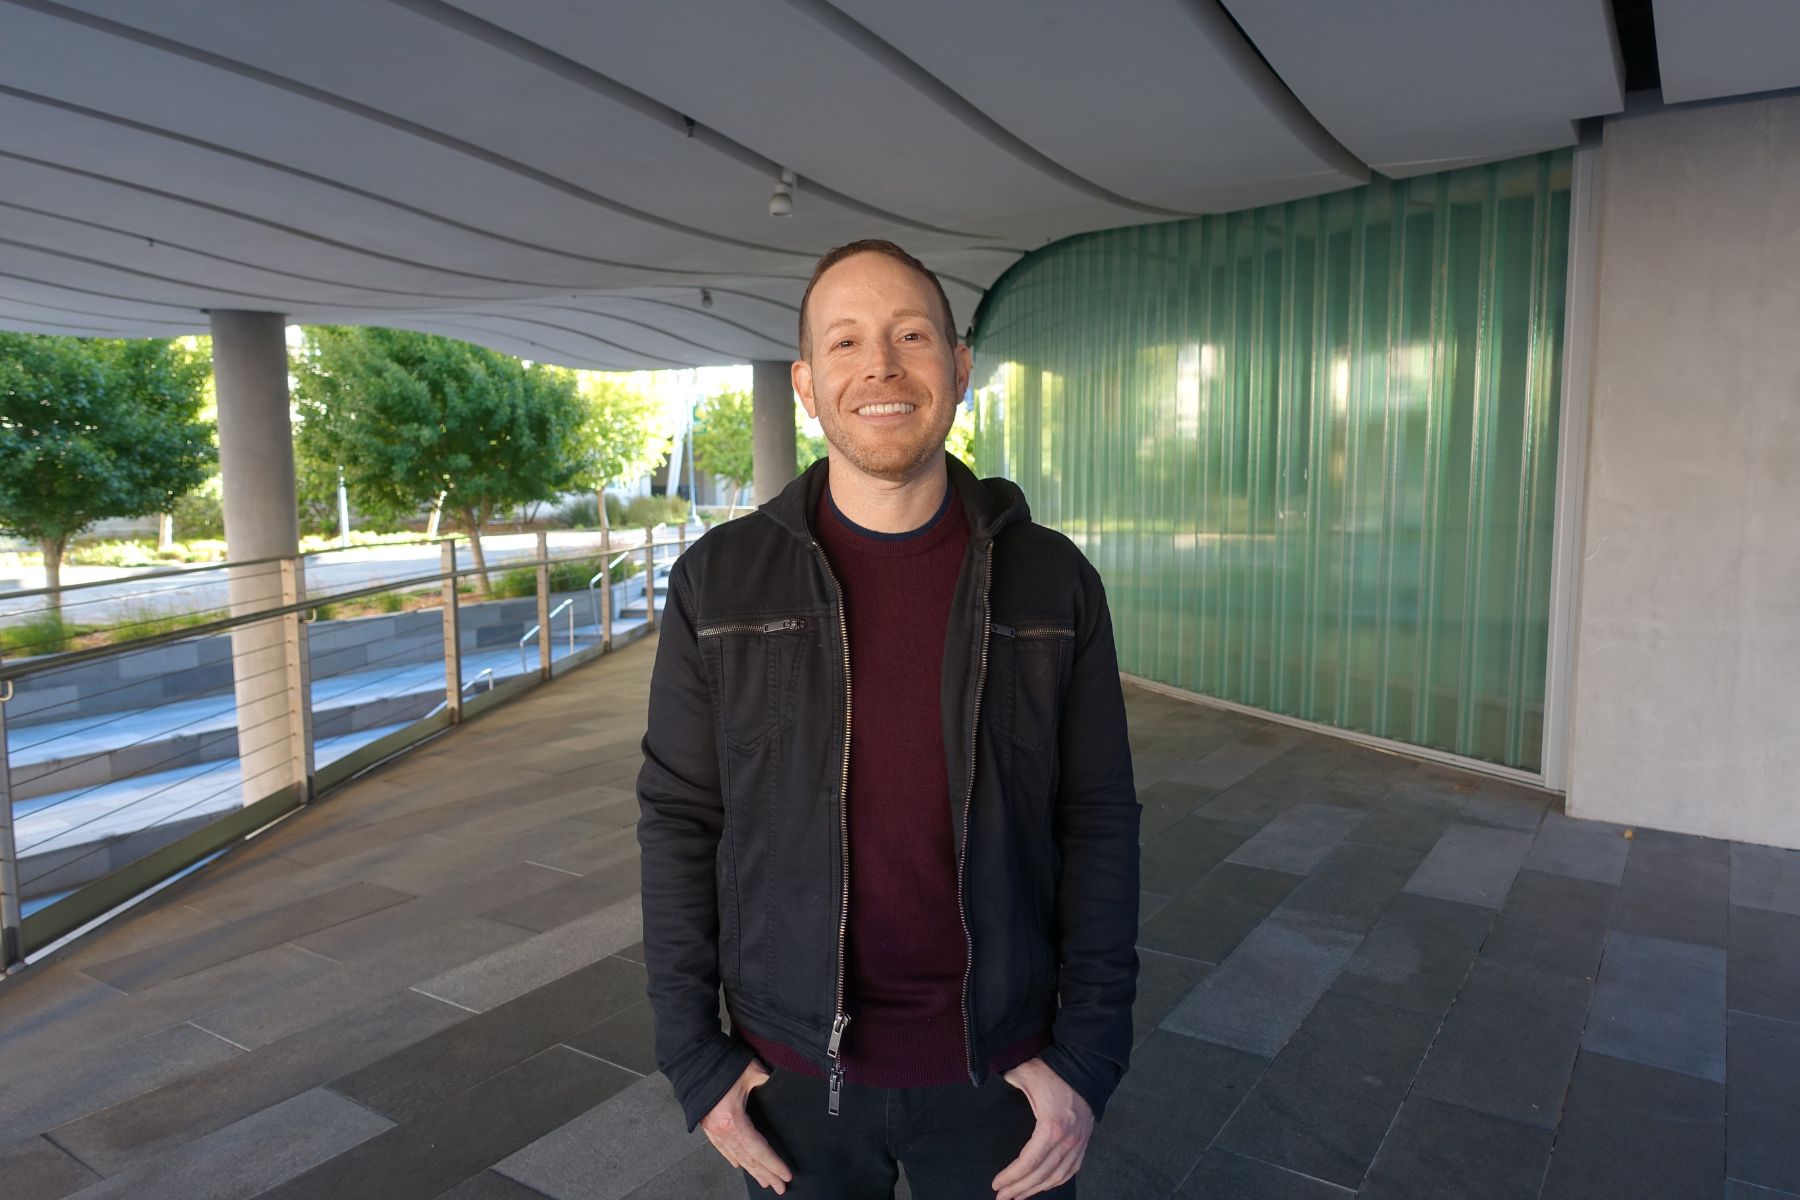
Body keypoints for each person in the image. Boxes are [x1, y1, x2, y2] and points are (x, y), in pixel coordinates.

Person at [635, 238, 1140, 1200]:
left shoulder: (1052, 579)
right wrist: (693, 1057)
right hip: (788, 1078)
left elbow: (1101, 823)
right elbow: (680, 821)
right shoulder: (720, 581)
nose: (880, 365)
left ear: (957, 370)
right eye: (847, 342)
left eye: (911, 335)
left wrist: (1090, 1056)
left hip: (1005, 1072)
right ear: (806, 384)